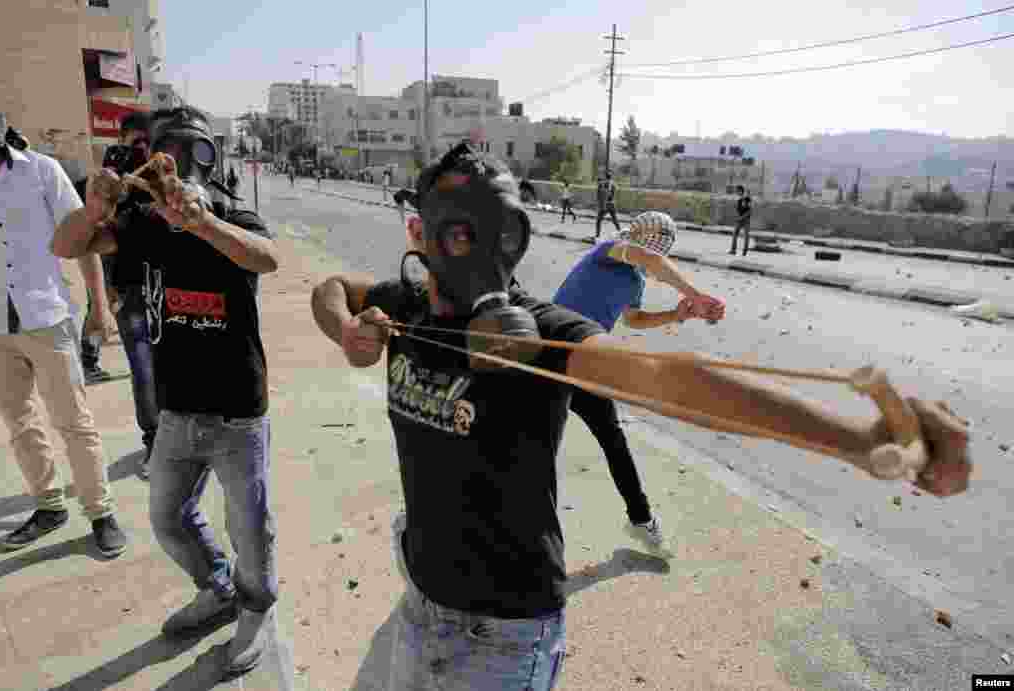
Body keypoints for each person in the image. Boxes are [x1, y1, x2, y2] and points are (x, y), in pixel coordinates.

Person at [310, 142, 971, 690]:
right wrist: (347, 330)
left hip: (502, 637)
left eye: (496, 229)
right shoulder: (405, 305)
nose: (478, 249)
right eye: (458, 229)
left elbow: (669, 379)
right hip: (420, 602)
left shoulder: (543, 331)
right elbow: (329, 289)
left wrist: (854, 438)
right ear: (418, 233)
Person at [54, 106, 281, 677]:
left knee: (249, 526)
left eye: (191, 151)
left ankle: (257, 609)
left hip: (236, 410)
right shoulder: (138, 223)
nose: (177, 166)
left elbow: (269, 257)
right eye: (165, 152)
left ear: (209, 156)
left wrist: (202, 222)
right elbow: (67, 245)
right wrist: (97, 206)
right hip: (176, 408)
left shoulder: (230, 210)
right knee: (166, 517)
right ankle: (218, 586)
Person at [0, 93, 128, 557]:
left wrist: (98, 304)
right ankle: (48, 505)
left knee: (74, 421)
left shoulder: (40, 171)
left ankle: (101, 512)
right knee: (19, 421)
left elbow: (83, 236)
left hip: (45, 316)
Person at [554, 211, 724, 555]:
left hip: (587, 361)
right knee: (528, 438)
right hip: (552, 349)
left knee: (613, 442)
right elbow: (648, 257)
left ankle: (641, 520)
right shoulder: (609, 251)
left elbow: (633, 319)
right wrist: (695, 294)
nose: (657, 256)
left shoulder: (635, 281)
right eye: (659, 248)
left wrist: (677, 315)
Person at [74, 112, 161, 478]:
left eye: (147, 143)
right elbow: (90, 231)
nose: (141, 150)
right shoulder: (113, 179)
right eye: (134, 143)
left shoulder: (161, 174)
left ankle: (184, 442)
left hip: (167, 285)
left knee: (176, 366)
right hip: (129, 289)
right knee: (143, 370)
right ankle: (154, 444)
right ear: (122, 141)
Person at [595, 172, 620, 240]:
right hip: (612, 204)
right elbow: (614, 192)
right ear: (611, 177)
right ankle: (620, 232)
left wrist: (600, 203)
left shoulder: (603, 184)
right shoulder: (614, 184)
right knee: (615, 220)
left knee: (598, 220)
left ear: (606, 177)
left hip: (606, 204)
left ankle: (597, 235)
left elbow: (601, 194)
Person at [730, 185, 753, 256]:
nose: (737, 192)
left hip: (746, 220)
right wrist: (737, 217)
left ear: (741, 191)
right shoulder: (739, 200)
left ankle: (744, 252)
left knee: (746, 236)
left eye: (737, 191)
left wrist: (742, 217)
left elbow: (750, 211)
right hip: (739, 220)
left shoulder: (747, 199)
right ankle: (733, 250)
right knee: (734, 234)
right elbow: (738, 210)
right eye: (736, 191)